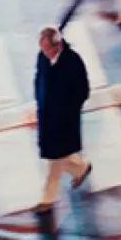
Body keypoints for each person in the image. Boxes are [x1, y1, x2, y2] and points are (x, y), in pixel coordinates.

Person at [34, 26, 92, 212]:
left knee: (54, 157)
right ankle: (80, 169)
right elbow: (38, 80)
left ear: (57, 47)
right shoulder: (42, 58)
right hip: (48, 116)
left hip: (64, 119)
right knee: (57, 154)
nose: (43, 52)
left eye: (46, 49)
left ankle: (47, 199)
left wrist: (68, 109)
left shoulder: (72, 61)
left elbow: (83, 90)